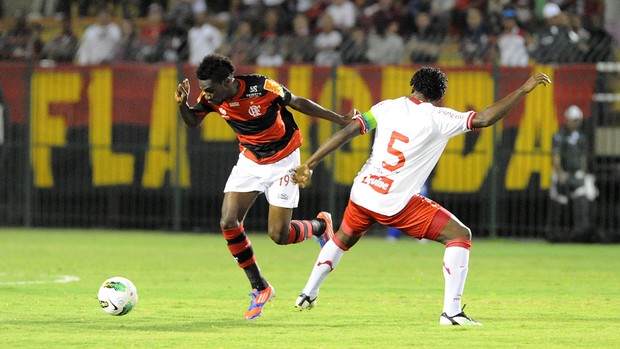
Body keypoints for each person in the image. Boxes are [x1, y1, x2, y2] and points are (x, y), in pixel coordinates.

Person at [292, 67, 551, 325]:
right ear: (439, 95)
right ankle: (451, 312)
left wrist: (310, 164)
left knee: (342, 239)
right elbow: (483, 119)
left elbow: (346, 132)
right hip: (395, 202)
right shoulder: (438, 118)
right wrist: (521, 90)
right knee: (460, 236)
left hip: (363, 191)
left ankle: (307, 292)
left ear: (412, 85)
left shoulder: (386, 107)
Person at [174, 54, 353, 320]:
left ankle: (319, 225)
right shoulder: (210, 98)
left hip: (284, 161)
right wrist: (182, 104)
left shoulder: (262, 87)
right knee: (228, 221)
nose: (206, 95)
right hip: (250, 160)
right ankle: (260, 287)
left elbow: (299, 103)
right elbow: (192, 121)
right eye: (203, 90)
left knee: (278, 235)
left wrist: (339, 119)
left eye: (210, 89)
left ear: (228, 81)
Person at [547, 105, 594, 242]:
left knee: (582, 201)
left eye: (578, 120)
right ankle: (554, 233)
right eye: (574, 120)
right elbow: (555, 156)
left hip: (577, 174)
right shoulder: (559, 136)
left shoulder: (582, 137)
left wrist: (583, 173)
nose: (577, 122)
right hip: (563, 173)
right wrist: (560, 173)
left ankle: (581, 233)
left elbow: (583, 157)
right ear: (567, 119)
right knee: (559, 202)